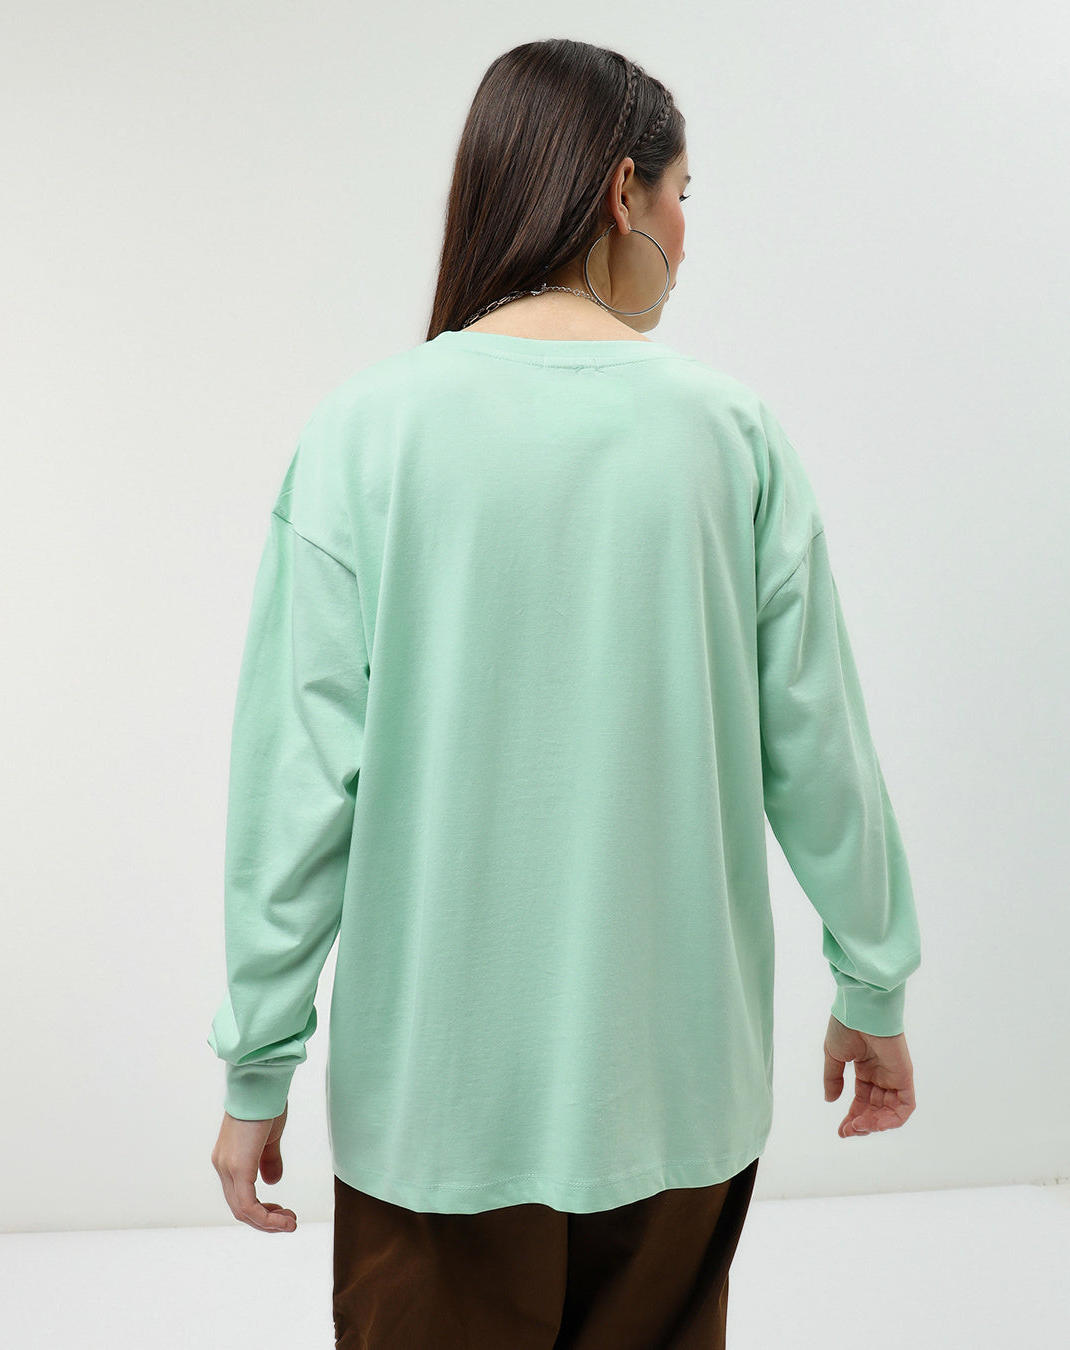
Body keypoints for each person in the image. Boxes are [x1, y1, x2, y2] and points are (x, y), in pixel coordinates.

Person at [208, 37, 921, 1349]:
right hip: (679, 1101)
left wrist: (260, 1060)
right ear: (620, 193)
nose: (687, 238)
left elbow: (295, 792)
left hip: (436, 1114)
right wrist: (871, 983)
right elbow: (821, 752)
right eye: (684, 196)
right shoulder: (730, 436)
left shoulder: (366, 435)